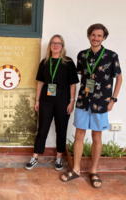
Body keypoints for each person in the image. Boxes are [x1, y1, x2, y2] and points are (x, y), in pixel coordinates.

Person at [61, 24, 122, 188]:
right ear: (89, 36)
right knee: (79, 135)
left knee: (97, 137)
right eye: (93, 35)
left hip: (101, 103)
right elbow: (79, 76)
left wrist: (113, 100)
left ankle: (94, 171)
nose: (96, 38)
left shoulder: (111, 55)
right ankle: (76, 169)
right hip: (83, 101)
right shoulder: (82, 55)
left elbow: (119, 79)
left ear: (104, 38)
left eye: (99, 36)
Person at [25, 35, 79, 171]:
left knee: (61, 129)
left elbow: (73, 84)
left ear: (62, 46)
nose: (56, 45)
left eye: (58, 43)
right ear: (50, 45)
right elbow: (40, 82)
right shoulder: (44, 62)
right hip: (46, 99)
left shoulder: (68, 62)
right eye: (53, 43)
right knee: (42, 128)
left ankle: (59, 158)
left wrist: (72, 101)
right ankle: (35, 157)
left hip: (63, 99)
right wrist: (37, 100)